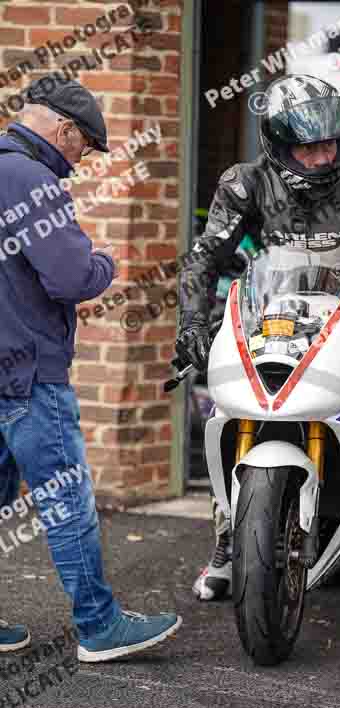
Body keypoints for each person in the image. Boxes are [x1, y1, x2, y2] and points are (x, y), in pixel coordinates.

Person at [177, 74, 340, 617]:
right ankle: (229, 542)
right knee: (226, 411)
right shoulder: (242, 183)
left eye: (332, 143)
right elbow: (203, 256)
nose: (325, 156)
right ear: (278, 144)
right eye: (309, 145)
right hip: (268, 315)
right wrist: (192, 322)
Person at [0, 77, 180, 661]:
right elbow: (72, 277)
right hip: (29, 376)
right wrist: (103, 261)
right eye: (84, 147)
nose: (80, 162)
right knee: (66, 500)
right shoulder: (32, 179)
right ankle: (100, 626)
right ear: (64, 129)